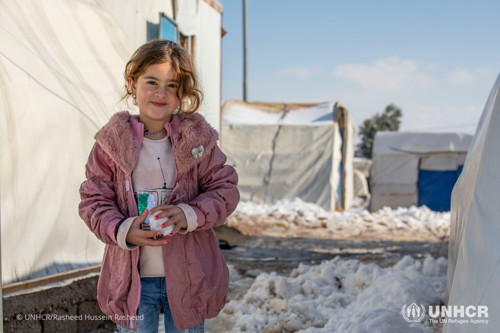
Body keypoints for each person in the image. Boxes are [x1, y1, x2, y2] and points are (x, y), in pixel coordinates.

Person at [79, 39, 239, 333]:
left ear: (183, 92)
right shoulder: (111, 145)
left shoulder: (197, 142)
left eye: (172, 85)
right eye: (151, 82)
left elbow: (225, 189)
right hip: (133, 281)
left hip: (191, 277)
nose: (161, 93)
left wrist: (189, 214)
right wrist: (124, 229)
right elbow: (93, 200)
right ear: (132, 83)